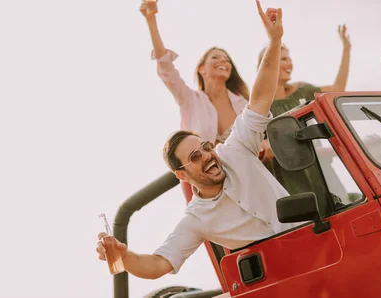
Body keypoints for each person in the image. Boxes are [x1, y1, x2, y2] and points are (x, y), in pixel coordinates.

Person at [97, 1, 299, 280]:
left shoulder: (236, 147)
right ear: (181, 174)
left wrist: (274, 40)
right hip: (275, 274)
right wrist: (126, 257)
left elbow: (261, 96)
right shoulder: (197, 218)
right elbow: (158, 264)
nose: (206, 155)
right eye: (194, 157)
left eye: (204, 147)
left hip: (312, 242)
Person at [140, 0, 251, 199]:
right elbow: (165, 67)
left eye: (226, 59)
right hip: (203, 185)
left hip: (243, 178)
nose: (223, 61)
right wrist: (151, 19)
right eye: (215, 58)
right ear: (201, 68)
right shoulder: (190, 99)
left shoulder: (243, 104)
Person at [258, 25, 352, 197]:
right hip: (289, 175)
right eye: (283, 59)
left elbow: (338, 89)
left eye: (289, 59)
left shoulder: (303, 91)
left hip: (320, 166)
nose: (290, 63)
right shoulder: (259, 105)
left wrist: (347, 49)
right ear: (268, 63)